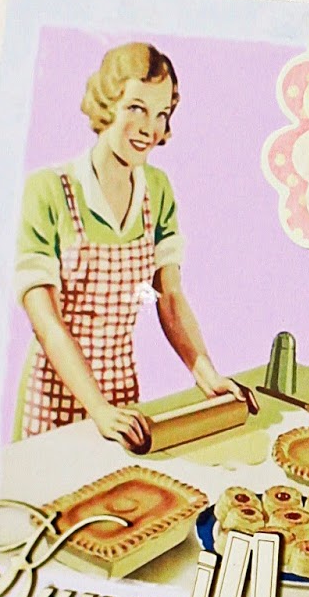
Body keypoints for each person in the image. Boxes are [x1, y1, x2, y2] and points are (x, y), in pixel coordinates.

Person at [15, 41, 254, 447]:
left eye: (161, 113)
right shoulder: (48, 190)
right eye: (136, 108)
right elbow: (47, 322)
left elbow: (169, 298)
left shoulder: (157, 190)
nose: (150, 128)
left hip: (122, 393)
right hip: (58, 395)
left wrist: (207, 375)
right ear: (107, 104)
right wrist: (98, 409)